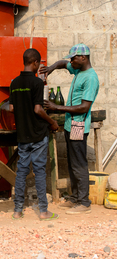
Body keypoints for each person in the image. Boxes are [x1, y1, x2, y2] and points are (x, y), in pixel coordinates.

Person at [42, 43, 99, 215]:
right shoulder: (78, 70)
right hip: (70, 123)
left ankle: (84, 202)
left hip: (78, 124)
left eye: (73, 59)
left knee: (79, 163)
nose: (71, 63)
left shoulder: (90, 77)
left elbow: (83, 107)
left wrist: (56, 108)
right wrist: (51, 68)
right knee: (72, 161)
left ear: (83, 58)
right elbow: (61, 63)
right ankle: (75, 197)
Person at [9, 48, 59, 221]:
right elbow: (38, 109)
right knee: (39, 171)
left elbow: (11, 108)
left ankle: (17, 211)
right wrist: (52, 122)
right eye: (39, 64)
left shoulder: (14, 83)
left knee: (21, 171)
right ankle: (43, 212)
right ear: (35, 63)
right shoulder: (37, 83)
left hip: (23, 136)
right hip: (38, 135)